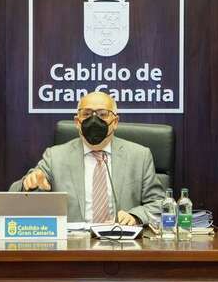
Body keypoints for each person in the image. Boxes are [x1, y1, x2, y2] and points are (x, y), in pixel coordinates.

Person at [9, 91, 164, 225]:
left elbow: (160, 205)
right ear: (77, 122)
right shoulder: (55, 156)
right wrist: (29, 185)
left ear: (115, 122)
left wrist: (135, 216)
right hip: (72, 244)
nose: (94, 120)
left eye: (102, 114)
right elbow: (13, 198)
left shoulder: (139, 156)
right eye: (87, 114)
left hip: (121, 242)